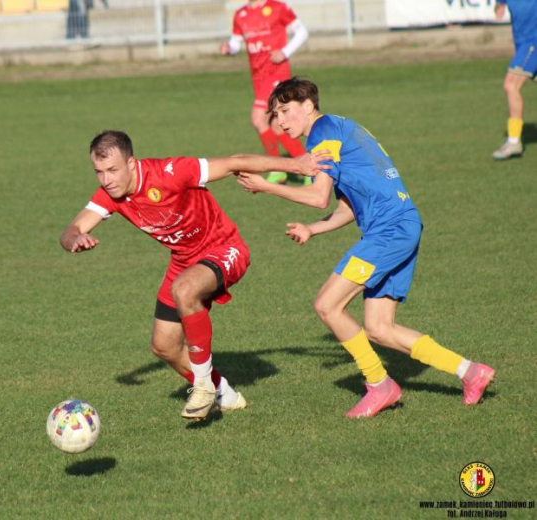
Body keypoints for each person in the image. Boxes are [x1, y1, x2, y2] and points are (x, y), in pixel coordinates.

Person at [236, 78, 496, 419]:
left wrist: (265, 187)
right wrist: (313, 229)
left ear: (308, 106)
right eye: (275, 114)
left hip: (389, 231)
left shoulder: (321, 133)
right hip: (402, 226)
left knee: (327, 305)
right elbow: (347, 207)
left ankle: (380, 385)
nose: (280, 121)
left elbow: (318, 197)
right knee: (379, 328)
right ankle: (471, 372)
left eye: (285, 111)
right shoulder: (341, 128)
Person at [60, 130, 328, 420]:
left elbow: (234, 161)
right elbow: (72, 229)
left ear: (131, 163)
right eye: (98, 172)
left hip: (225, 248)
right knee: (164, 347)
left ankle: (202, 386)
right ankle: (225, 394)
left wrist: (295, 165)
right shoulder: (110, 194)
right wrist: (74, 239)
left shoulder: (170, 172)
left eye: (112, 170)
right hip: (184, 261)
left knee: (184, 289)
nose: (106, 179)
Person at [220, 0, 309, 184]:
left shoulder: (277, 7)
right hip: (258, 77)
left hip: (277, 73)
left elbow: (302, 32)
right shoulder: (241, 14)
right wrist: (229, 49)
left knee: (258, 118)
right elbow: (236, 43)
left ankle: (277, 169)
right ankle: (309, 168)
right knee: (277, 125)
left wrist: (284, 52)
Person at [492, 0, 536, 160]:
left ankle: (513, 141)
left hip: (534, 40)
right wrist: (499, 7)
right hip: (522, 41)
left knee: (511, 85)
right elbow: (500, 7)